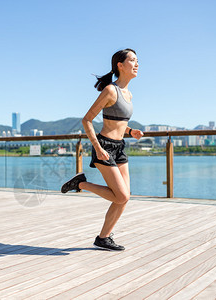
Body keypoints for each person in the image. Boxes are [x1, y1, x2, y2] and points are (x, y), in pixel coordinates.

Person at [61, 48, 143, 251]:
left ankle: (103, 238)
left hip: (120, 147)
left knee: (124, 197)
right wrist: (97, 148)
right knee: (122, 196)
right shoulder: (110, 90)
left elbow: (119, 125)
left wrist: (131, 131)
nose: (137, 63)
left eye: (137, 60)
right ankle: (81, 184)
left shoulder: (129, 94)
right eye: (132, 60)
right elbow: (87, 120)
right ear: (120, 65)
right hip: (104, 146)